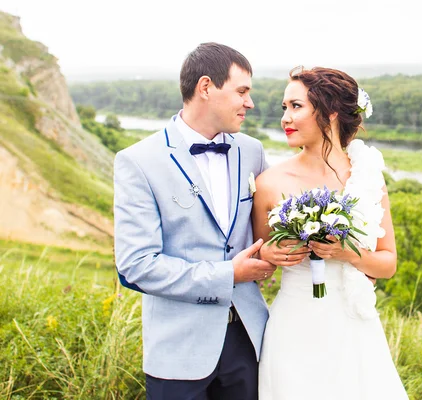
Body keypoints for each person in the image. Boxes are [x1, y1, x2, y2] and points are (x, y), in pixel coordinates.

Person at [113, 42, 276, 400]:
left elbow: (274, 224)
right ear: (205, 88)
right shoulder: (138, 162)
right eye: (242, 91)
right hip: (178, 351)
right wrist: (227, 275)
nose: (250, 102)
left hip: (249, 341)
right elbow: (136, 266)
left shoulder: (252, 151)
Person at [252, 67, 410, 399]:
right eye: (284, 107)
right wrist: (267, 255)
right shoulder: (269, 183)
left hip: (354, 329)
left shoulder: (367, 177)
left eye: (296, 106)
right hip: (293, 329)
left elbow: (388, 263)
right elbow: (256, 267)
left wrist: (345, 252)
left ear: (331, 112)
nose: (285, 117)